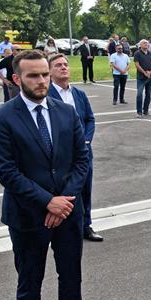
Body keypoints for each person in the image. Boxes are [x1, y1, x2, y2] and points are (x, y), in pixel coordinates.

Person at [0, 50, 97, 300]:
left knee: (71, 275)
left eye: (45, 74)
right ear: (17, 79)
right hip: (27, 217)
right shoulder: (3, 117)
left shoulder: (65, 112)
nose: (42, 81)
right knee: (30, 282)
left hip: (67, 213)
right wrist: (46, 202)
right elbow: (7, 171)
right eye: (34, 76)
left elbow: (82, 159)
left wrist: (63, 201)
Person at [47, 54, 102, 241]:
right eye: (58, 65)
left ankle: (86, 225)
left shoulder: (79, 94)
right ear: (50, 71)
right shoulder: (46, 95)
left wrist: (86, 141)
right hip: (60, 155)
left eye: (65, 64)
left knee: (85, 190)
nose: (63, 68)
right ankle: (63, 227)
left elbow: (89, 119)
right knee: (63, 191)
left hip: (83, 153)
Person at [133, 39, 151, 118]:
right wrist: (144, 72)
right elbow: (137, 65)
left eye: (147, 43)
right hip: (141, 78)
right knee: (139, 94)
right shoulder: (137, 53)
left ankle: (146, 110)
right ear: (140, 45)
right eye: (144, 43)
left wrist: (150, 72)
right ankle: (139, 112)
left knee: (148, 95)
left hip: (150, 77)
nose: (146, 44)